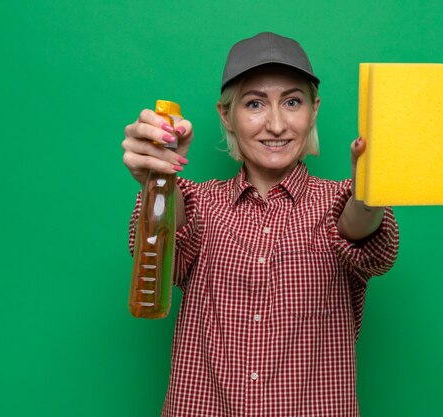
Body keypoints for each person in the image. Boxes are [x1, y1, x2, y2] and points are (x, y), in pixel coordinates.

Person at [122, 32, 399, 417]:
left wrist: (370, 193)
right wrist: (157, 177)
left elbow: (360, 230)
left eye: (292, 102)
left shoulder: (338, 202)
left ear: (313, 109)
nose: (276, 124)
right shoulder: (198, 204)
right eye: (254, 103)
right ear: (226, 114)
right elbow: (160, 250)